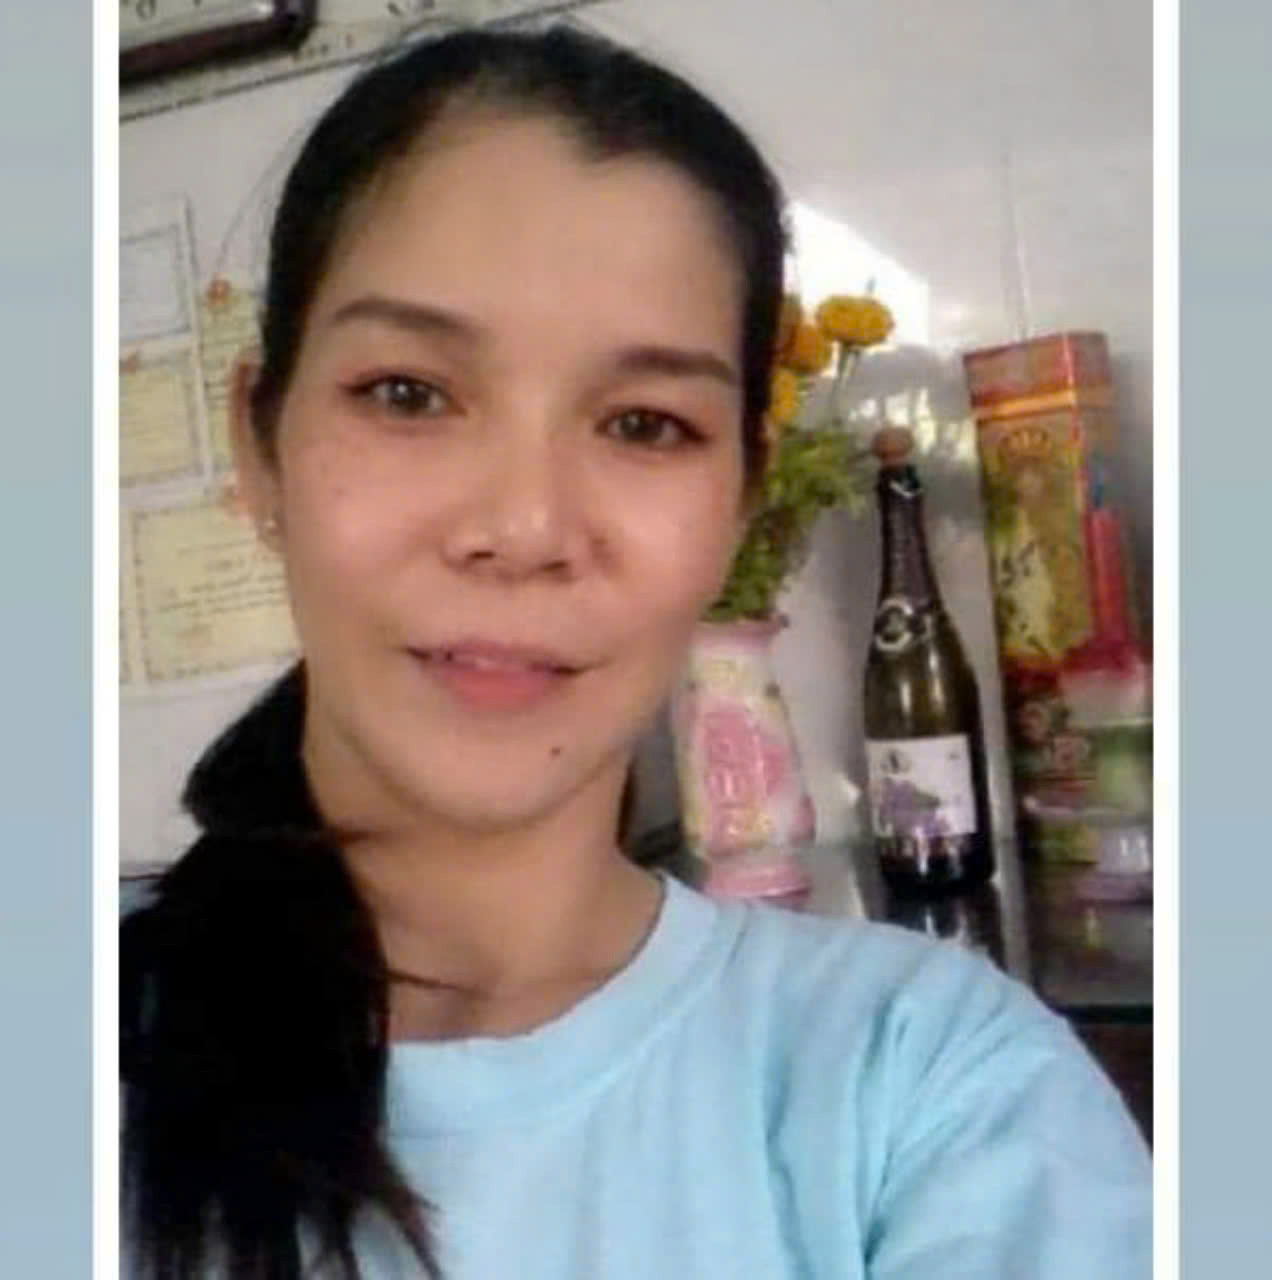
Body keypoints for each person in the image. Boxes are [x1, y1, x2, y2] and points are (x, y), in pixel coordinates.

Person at [120, 24, 1152, 1279]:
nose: (524, 527)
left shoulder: (935, 1088)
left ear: (741, 501)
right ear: (259, 446)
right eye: (408, 393)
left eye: (645, 424)